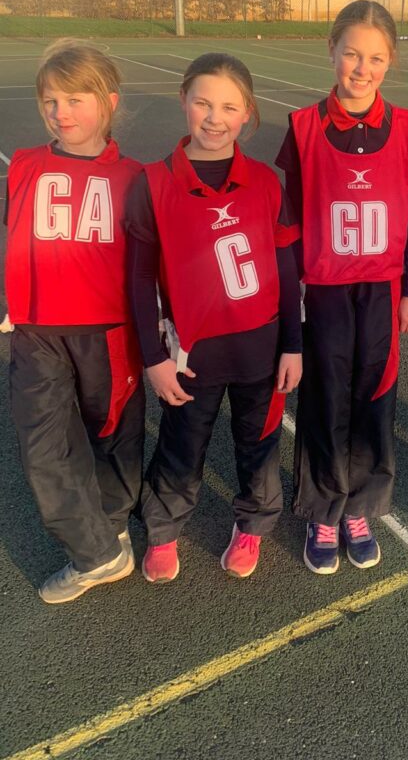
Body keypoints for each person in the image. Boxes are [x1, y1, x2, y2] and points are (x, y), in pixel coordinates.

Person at [126, 53, 301, 583]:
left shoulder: (267, 182)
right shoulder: (152, 183)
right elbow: (137, 279)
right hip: (191, 353)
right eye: (202, 102)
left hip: (261, 349)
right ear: (183, 100)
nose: (213, 117)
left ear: (247, 113)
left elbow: (287, 267)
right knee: (182, 443)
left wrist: (293, 344)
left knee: (260, 442)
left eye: (229, 106)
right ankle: (163, 529)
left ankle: (252, 524)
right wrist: (153, 358)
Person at [276, 0, 408, 575]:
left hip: (382, 290)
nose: (360, 68)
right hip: (322, 290)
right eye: (351, 54)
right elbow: (289, 223)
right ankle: (322, 508)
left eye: (374, 57)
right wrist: (290, 298)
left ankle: (360, 507)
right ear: (332, 52)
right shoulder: (302, 127)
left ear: (390, 62)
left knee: (374, 398)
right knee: (324, 400)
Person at [3, 40, 145, 604]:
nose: (61, 112)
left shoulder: (136, 177)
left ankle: (111, 527)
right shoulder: (25, 165)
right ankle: (97, 556)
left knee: (112, 435)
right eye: (50, 101)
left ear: (108, 102)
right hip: (38, 332)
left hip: (108, 333)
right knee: (43, 445)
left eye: (75, 99)